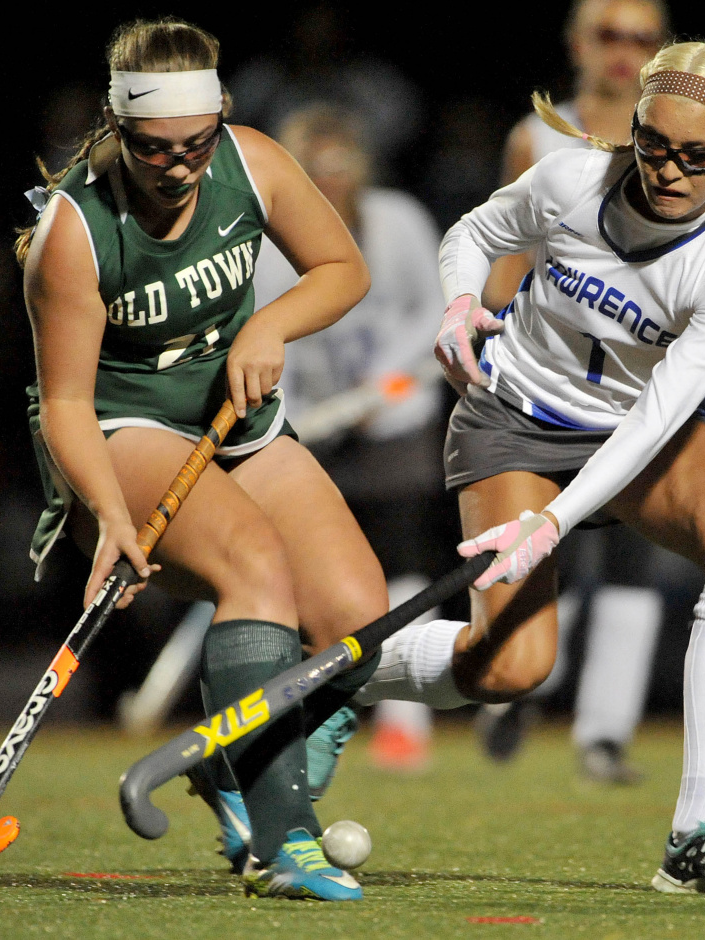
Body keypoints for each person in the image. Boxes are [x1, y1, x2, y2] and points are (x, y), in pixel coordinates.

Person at [357, 38, 705, 895]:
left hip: (633, 435)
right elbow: (475, 233)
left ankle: (699, 831)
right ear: (632, 127)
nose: (670, 171)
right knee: (512, 669)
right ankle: (347, 678)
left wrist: (554, 522)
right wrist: (457, 300)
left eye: (699, 157)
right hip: (514, 418)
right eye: (654, 145)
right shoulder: (567, 181)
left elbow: (656, 421)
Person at [16, 17, 393, 901]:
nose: (178, 168)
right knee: (253, 569)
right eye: (153, 150)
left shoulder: (252, 160)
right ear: (118, 130)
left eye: (195, 144)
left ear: (220, 116)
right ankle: (282, 841)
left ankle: (231, 767)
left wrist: (268, 323)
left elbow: (342, 266)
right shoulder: (72, 233)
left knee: (355, 624)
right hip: (123, 433)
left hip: (233, 418)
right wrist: (108, 515)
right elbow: (64, 401)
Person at [477, 0, 670, 783]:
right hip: (547, 384)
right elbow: (505, 256)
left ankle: (603, 735)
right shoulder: (538, 135)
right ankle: (518, 685)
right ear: (575, 44)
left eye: (642, 38)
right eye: (607, 34)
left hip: (644, 384)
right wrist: (482, 346)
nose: (623, 52)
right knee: (532, 547)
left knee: (630, 559)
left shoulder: (682, 139)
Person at [252, 103, 448, 772]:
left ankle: (403, 724)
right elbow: (269, 339)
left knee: (397, 566)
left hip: (395, 422)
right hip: (314, 433)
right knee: (313, 579)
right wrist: (300, 417)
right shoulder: (266, 249)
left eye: (339, 166)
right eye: (313, 169)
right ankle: (309, 714)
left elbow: (435, 310)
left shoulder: (398, 222)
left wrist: (382, 384)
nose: (328, 181)